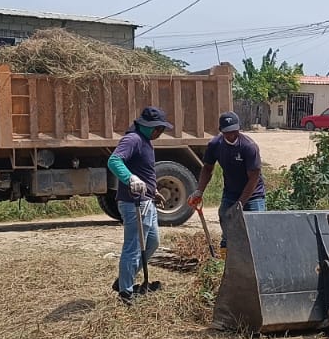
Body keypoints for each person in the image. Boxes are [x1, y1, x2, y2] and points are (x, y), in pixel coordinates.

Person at [107, 106, 171, 304]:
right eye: (160, 129)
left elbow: (144, 171)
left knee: (152, 242)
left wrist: (153, 191)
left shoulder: (145, 141)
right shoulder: (132, 139)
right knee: (133, 247)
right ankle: (126, 293)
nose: (161, 133)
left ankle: (124, 280)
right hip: (133, 203)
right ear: (152, 127)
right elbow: (114, 161)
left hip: (147, 200)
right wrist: (130, 178)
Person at [189, 111, 265, 249]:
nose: (231, 135)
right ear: (221, 131)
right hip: (230, 193)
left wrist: (240, 203)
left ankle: (256, 261)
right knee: (227, 232)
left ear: (239, 128)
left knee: (256, 234)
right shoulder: (215, 145)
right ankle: (226, 259)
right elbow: (207, 168)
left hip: (253, 196)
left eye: (234, 131)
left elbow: (253, 178)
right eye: (227, 132)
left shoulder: (248, 147)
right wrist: (199, 191)